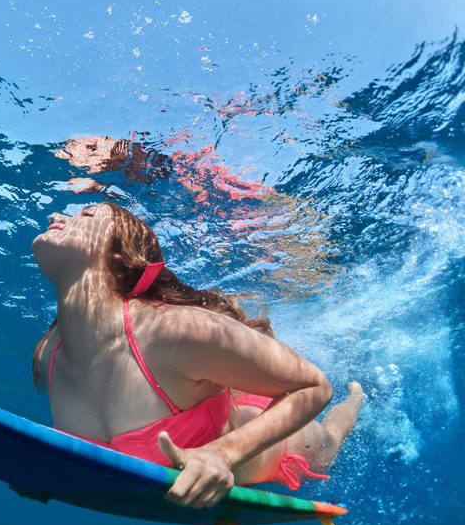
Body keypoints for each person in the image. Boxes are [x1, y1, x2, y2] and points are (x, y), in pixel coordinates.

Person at [31, 202, 364, 509]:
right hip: (202, 387)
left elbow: (315, 387)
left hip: (282, 445)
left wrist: (223, 454)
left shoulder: (175, 329)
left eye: (85, 216)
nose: (55, 217)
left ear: (119, 257)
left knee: (328, 445)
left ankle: (358, 397)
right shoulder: (48, 357)